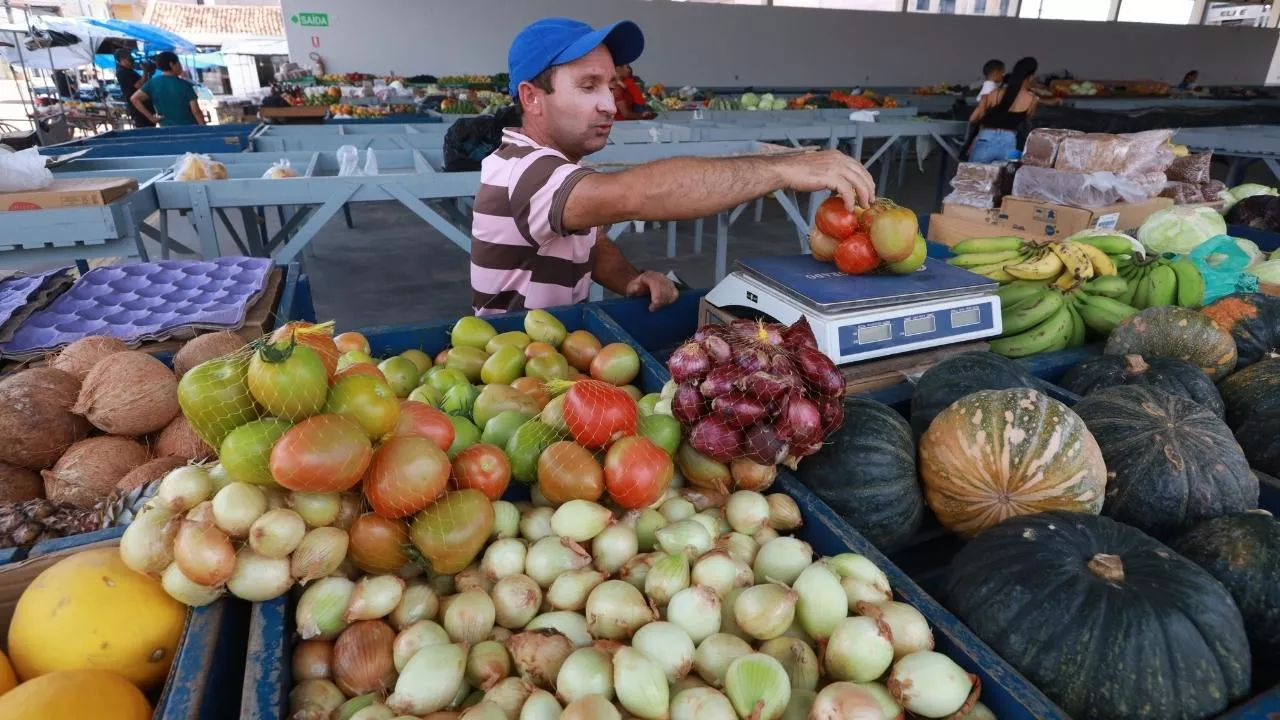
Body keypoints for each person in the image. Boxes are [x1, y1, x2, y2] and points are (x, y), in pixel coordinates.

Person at [470, 17, 874, 316]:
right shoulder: (523, 172)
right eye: (587, 86)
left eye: (610, 87)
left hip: (555, 355)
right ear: (532, 97)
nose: (610, 105)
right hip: (514, 374)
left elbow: (589, 244)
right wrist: (782, 168)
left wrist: (629, 277)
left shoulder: (554, 170)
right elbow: (633, 196)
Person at [967, 56, 1041, 163]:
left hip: (986, 139)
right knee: (1007, 178)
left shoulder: (994, 94)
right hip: (1010, 143)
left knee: (974, 177)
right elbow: (1025, 124)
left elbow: (973, 119)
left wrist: (972, 141)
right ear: (1031, 77)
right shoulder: (1032, 100)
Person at [130, 52, 203, 127]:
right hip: (190, 130)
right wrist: (204, 128)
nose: (181, 67)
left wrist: (151, 118)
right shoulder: (185, 85)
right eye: (179, 63)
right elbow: (196, 112)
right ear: (171, 64)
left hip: (167, 130)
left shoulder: (152, 83)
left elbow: (134, 99)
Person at [114, 49, 153, 128]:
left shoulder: (129, 70)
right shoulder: (122, 72)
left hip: (143, 105)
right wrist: (145, 71)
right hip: (138, 107)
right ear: (122, 59)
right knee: (145, 129)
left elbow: (144, 83)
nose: (132, 60)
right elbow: (138, 85)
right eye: (129, 57)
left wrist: (148, 73)